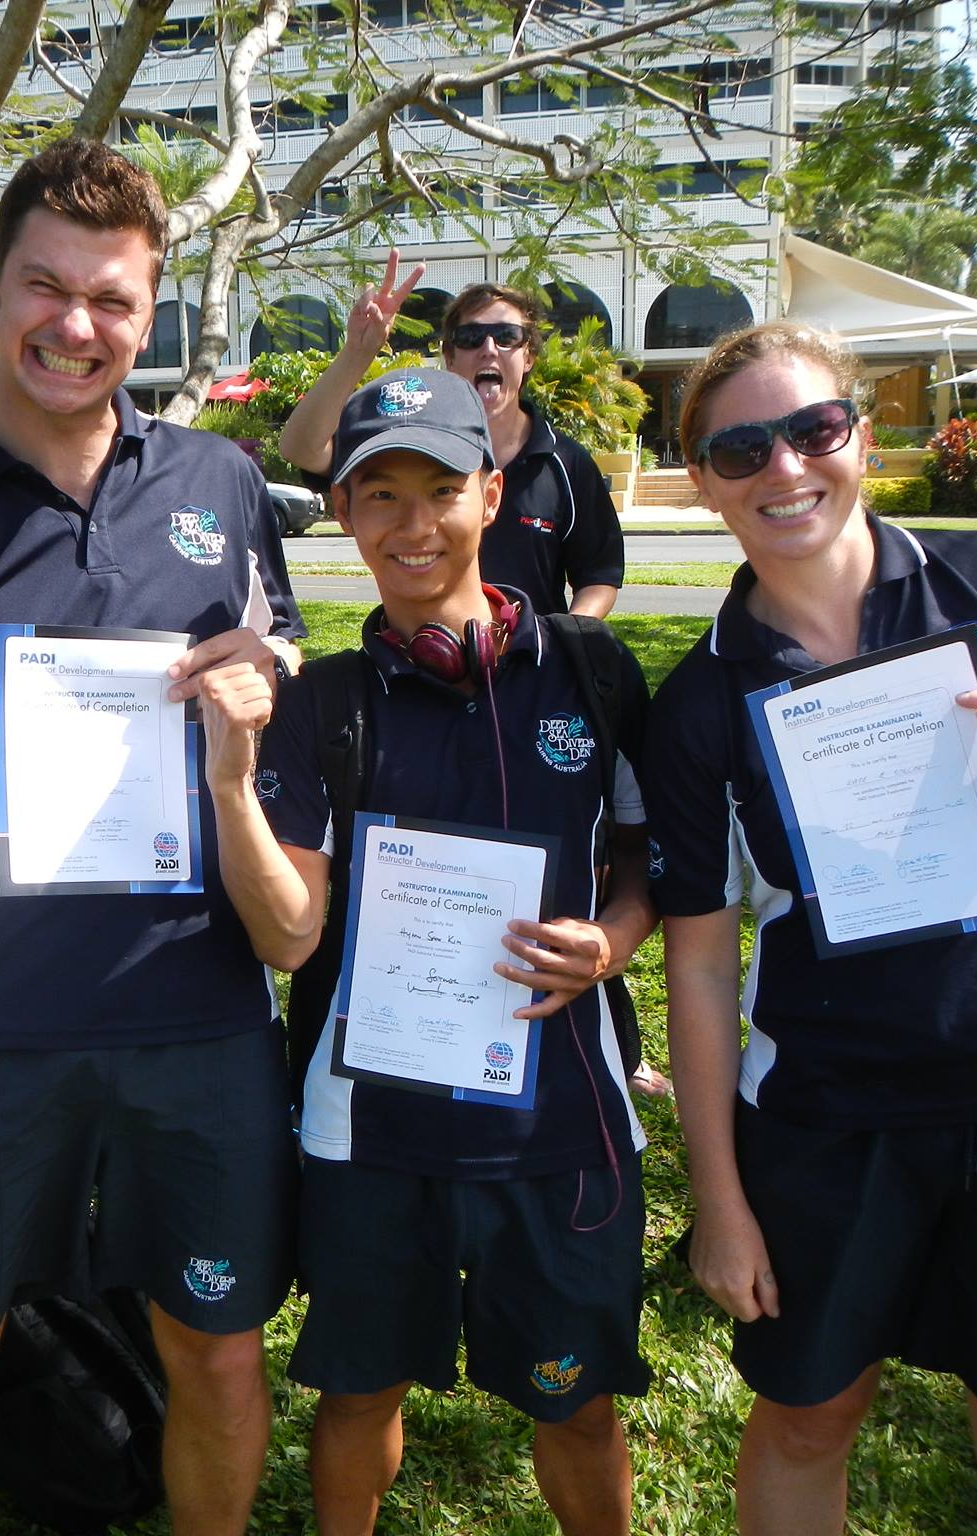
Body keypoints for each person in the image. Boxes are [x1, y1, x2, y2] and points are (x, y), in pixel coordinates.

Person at [0, 138, 306, 1536]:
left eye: (110, 298)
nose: (75, 326)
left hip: (200, 1008)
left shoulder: (220, 486)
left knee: (215, 1345)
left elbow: (267, 665)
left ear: (148, 312)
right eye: (46, 287)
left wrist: (257, 688)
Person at [644, 321, 977, 1536]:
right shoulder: (696, 702)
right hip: (827, 1125)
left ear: (859, 438)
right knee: (806, 1423)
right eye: (738, 449)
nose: (782, 469)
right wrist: (718, 1200)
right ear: (704, 481)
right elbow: (703, 966)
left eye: (811, 429)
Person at [198, 367, 655, 1536]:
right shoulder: (324, 704)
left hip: (558, 1127)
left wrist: (606, 943)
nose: (412, 525)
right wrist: (232, 778)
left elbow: (650, 868)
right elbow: (291, 935)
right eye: (379, 496)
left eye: (440, 489)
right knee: (355, 1397)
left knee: (579, 1409)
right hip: (372, 1132)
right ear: (342, 516)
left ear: (491, 494)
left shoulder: (591, 673)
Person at [279, 257, 625, 621]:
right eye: (471, 338)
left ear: (529, 357)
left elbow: (599, 572)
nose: (489, 349)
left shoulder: (565, 463)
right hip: (419, 653)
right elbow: (301, 448)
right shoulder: (404, 449)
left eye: (507, 337)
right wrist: (358, 351)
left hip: (534, 663)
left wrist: (568, 639)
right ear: (450, 357)